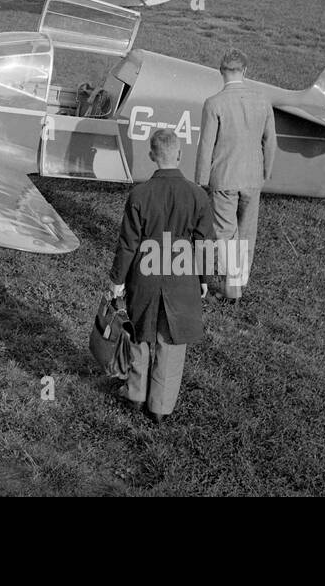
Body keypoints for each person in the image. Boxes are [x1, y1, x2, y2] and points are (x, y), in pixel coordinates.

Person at [108, 130, 212, 422]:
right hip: (181, 275)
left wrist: (117, 280)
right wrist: (204, 279)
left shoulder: (139, 194)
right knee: (172, 341)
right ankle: (160, 407)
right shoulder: (198, 195)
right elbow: (205, 243)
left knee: (140, 333)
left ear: (152, 155)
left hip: (144, 274)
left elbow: (127, 243)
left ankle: (135, 395)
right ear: (179, 155)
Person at [194, 49, 275, 302]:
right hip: (253, 177)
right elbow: (270, 141)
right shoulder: (263, 101)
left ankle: (232, 288)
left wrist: (201, 180)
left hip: (224, 177)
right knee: (247, 232)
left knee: (227, 233)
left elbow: (206, 145)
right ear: (245, 71)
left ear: (221, 72)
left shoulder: (214, 103)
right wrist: (265, 173)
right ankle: (238, 283)